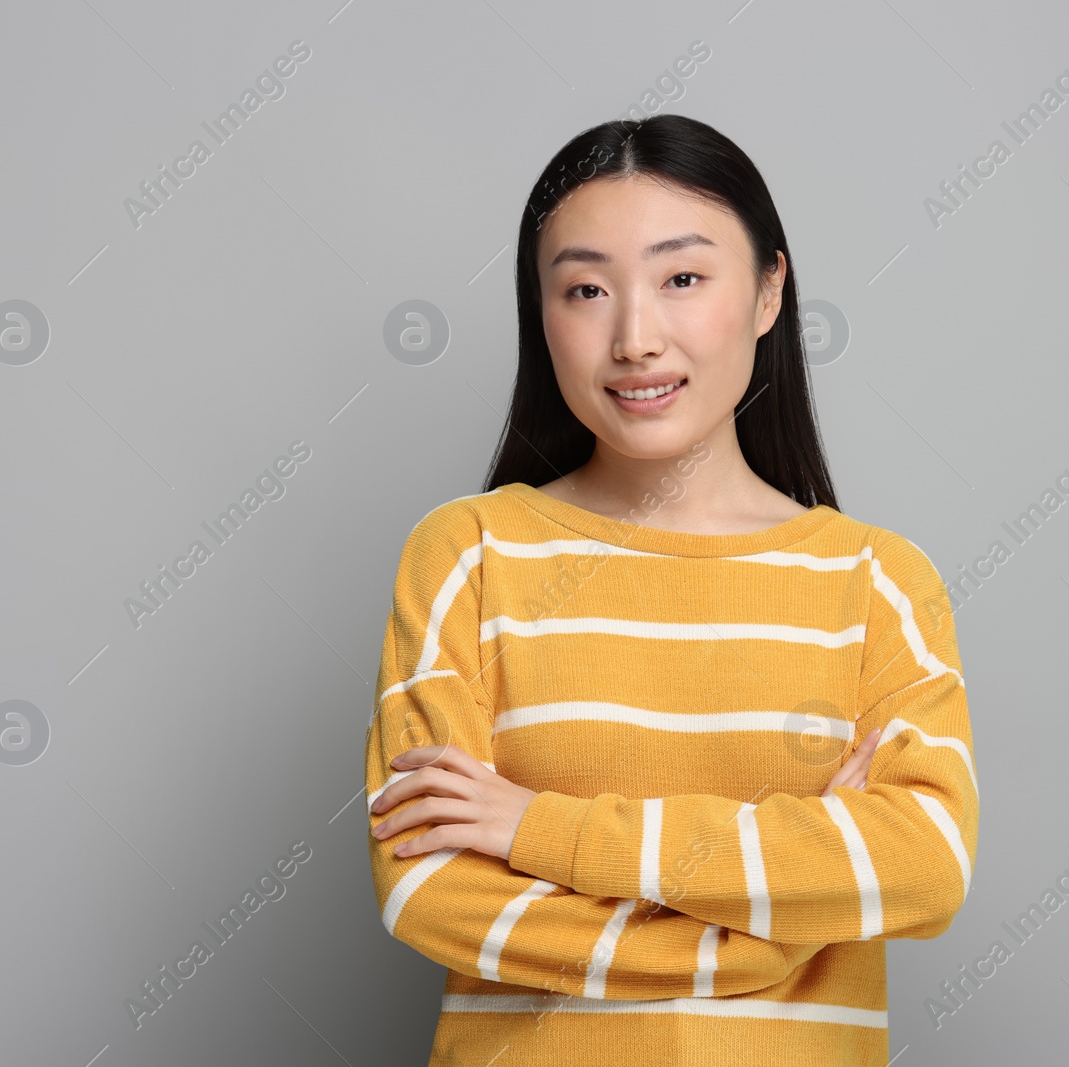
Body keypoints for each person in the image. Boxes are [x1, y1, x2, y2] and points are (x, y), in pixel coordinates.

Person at [365, 113, 978, 1067]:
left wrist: (539, 827)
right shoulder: (469, 554)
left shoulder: (877, 583)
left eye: (682, 278)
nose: (635, 336)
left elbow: (924, 866)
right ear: (542, 313)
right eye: (585, 289)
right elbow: (429, 888)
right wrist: (774, 933)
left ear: (770, 290)